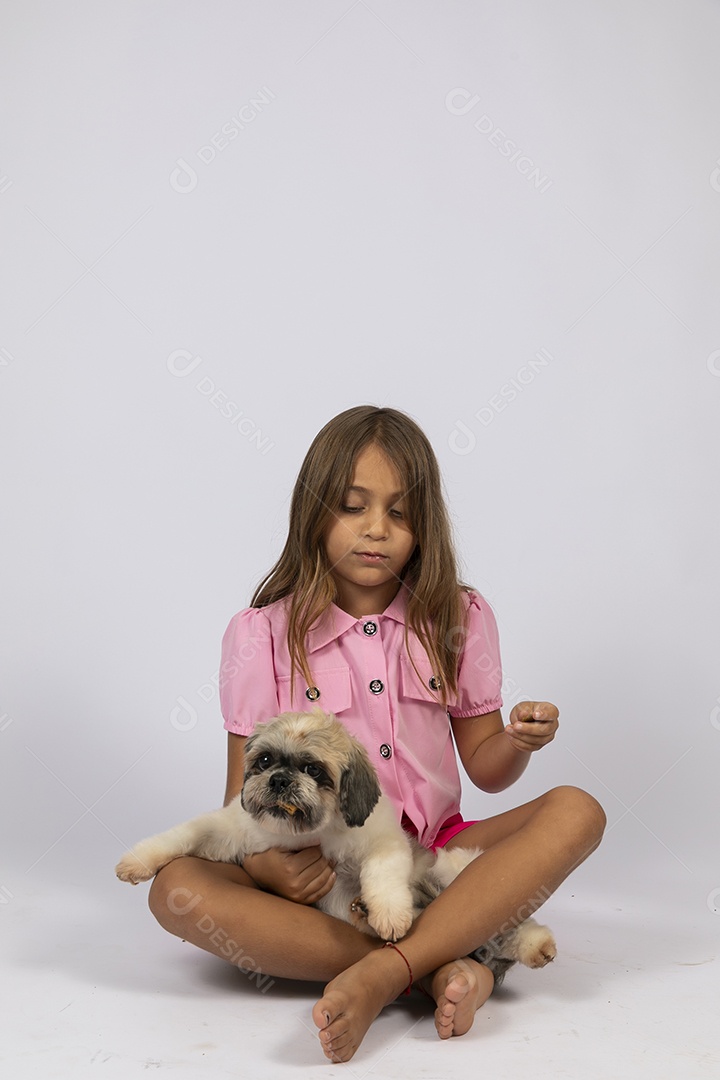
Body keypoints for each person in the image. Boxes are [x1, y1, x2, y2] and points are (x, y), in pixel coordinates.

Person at [148, 405, 606, 1063]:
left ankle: (387, 973)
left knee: (577, 812)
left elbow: (486, 768)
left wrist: (516, 741)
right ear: (314, 514)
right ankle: (444, 961)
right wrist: (270, 870)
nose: (376, 530)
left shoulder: (458, 617)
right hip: (323, 865)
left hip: (435, 855)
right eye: (352, 506)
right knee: (176, 889)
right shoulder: (261, 636)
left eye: (400, 512)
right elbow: (240, 800)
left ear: (426, 526)